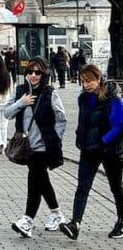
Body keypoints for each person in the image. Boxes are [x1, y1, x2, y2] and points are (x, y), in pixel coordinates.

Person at [5, 56, 67, 238]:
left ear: (44, 74)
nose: (33, 75)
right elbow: (7, 113)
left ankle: (27, 220)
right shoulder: (20, 91)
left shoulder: (49, 93)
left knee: (34, 181)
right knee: (42, 181)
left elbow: (61, 118)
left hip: (43, 147)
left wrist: (56, 140)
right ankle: (57, 214)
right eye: (30, 72)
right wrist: (21, 102)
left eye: (38, 72)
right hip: (25, 145)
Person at [59, 64, 123, 241]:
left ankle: (121, 220)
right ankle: (75, 224)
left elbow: (119, 125)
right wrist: (80, 138)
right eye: (83, 81)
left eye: (90, 81)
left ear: (99, 79)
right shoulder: (83, 99)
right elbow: (83, 122)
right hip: (88, 149)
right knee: (82, 187)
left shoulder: (113, 99)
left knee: (116, 187)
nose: (86, 85)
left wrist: (103, 141)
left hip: (110, 150)